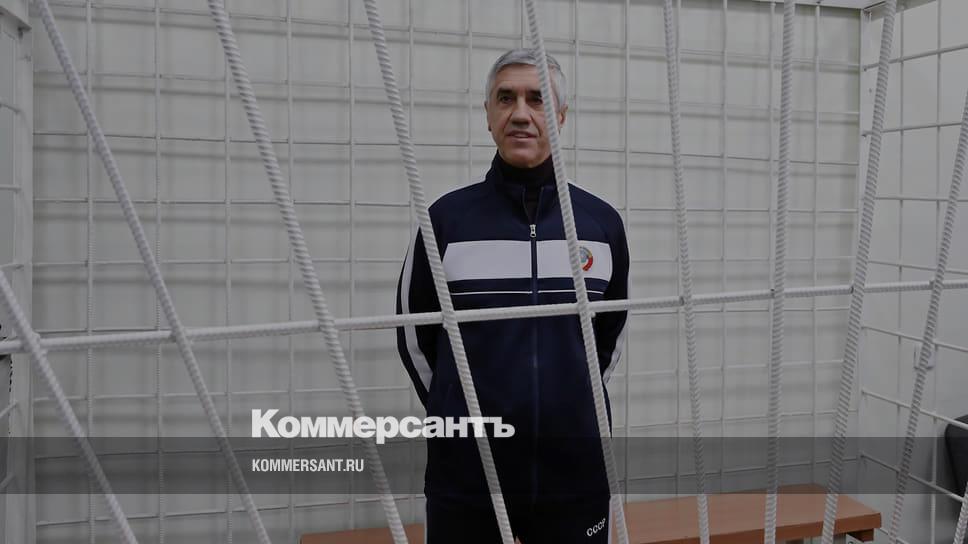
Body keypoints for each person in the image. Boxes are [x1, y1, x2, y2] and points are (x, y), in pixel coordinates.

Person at [395, 48, 630, 543]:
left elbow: (607, 339)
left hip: (575, 474)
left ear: (560, 116)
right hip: (468, 479)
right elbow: (415, 339)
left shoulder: (601, 226)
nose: (521, 113)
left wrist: (570, 402)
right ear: (488, 114)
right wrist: (455, 412)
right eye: (506, 98)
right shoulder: (444, 223)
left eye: (537, 99)